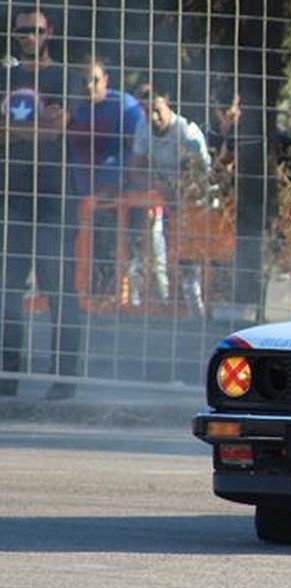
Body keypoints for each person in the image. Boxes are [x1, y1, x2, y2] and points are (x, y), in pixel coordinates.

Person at [0, 7, 78, 399]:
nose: (29, 36)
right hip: (11, 195)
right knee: (8, 289)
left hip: (54, 197)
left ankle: (65, 380)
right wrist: (35, 127)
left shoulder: (66, 77)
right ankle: (7, 377)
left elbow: (56, 131)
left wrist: (14, 131)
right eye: (22, 31)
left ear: (50, 33)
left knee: (59, 290)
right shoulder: (5, 76)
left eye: (36, 30)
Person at [68, 58, 149, 309]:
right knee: (80, 254)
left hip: (118, 200)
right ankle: (88, 302)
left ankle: (123, 304)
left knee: (118, 254)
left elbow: (141, 150)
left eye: (94, 79)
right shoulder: (73, 108)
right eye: (83, 81)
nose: (88, 86)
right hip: (81, 197)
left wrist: (119, 181)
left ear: (106, 80)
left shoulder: (125, 108)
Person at [133, 89, 213, 311]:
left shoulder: (187, 132)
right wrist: (158, 187)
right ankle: (164, 301)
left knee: (189, 257)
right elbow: (135, 170)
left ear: (167, 103)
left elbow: (200, 178)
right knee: (154, 242)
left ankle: (195, 310)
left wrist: (179, 193)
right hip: (164, 198)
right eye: (147, 111)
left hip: (194, 203)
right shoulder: (142, 128)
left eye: (157, 110)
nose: (153, 117)